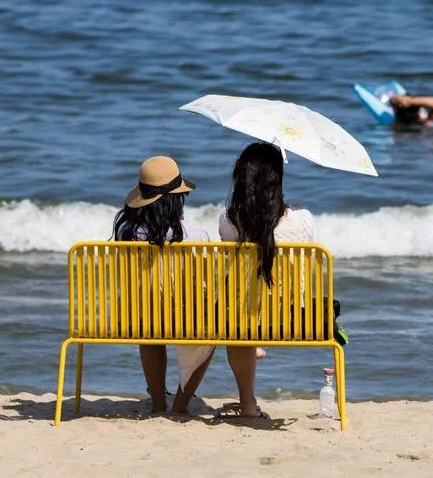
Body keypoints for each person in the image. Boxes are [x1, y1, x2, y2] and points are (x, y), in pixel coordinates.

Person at [217, 141, 315, 419]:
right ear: (277, 179)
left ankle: (247, 404)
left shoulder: (228, 220)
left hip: (242, 317)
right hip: (292, 316)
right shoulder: (303, 220)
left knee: (238, 326)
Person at [111, 155, 214, 415]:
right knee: (210, 335)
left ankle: (158, 403)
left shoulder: (126, 232)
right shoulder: (194, 234)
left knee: (150, 329)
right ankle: (180, 405)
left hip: (138, 316)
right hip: (182, 316)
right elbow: (203, 282)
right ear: (176, 197)